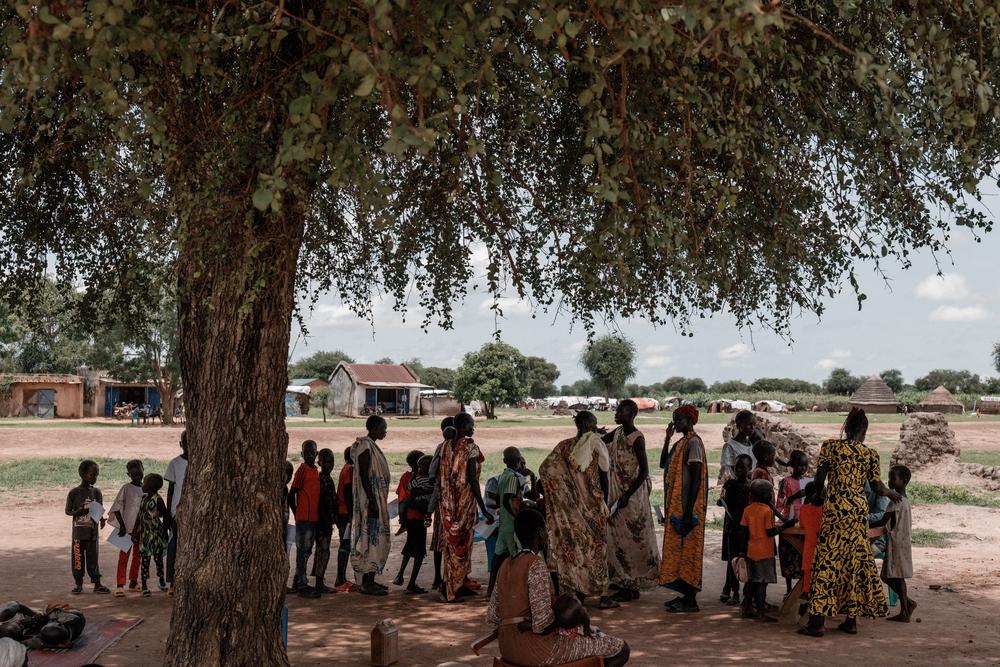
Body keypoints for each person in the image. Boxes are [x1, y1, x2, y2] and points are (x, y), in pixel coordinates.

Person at [799, 408, 901, 637]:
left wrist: (817, 497)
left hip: (835, 511)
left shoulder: (831, 446)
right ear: (864, 431)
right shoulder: (870, 453)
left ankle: (817, 624)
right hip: (857, 513)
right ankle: (851, 621)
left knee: (827, 562)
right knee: (854, 563)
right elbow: (877, 486)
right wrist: (890, 494)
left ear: (846, 428)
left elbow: (819, 477)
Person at [486, 509, 630, 666]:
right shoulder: (535, 563)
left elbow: (493, 616)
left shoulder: (505, 564)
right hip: (535, 649)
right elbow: (542, 624)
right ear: (541, 533)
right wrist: (565, 618)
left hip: (506, 647)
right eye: (546, 531)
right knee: (620, 648)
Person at [539, 410, 617, 608]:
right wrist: (604, 504)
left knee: (575, 549)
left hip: (571, 512)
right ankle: (602, 595)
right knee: (597, 550)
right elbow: (604, 476)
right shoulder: (596, 444)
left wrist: (563, 497)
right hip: (594, 508)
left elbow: (545, 469)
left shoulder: (563, 446)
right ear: (593, 425)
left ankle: (578, 592)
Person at [604, 399, 660, 602]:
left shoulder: (637, 438)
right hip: (617, 493)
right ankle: (621, 578)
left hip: (631, 496)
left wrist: (626, 496)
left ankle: (632, 583)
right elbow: (602, 441)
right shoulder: (618, 432)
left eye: (621, 411)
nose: (617, 413)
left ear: (631, 414)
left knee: (632, 539)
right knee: (618, 538)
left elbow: (644, 471)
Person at [438, 412, 491, 602]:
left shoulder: (445, 445)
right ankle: (453, 589)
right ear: (463, 426)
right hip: (464, 503)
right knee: (461, 544)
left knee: (451, 545)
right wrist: (483, 509)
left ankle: (454, 584)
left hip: (447, 504)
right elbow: (473, 480)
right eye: (471, 425)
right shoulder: (471, 448)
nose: (473, 428)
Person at [658, 405, 706, 613]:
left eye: (679, 420)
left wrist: (688, 512)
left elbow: (696, 478)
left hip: (688, 509)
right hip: (677, 506)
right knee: (679, 551)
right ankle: (685, 595)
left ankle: (690, 601)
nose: (676, 424)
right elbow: (662, 463)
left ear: (690, 420)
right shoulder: (681, 443)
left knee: (689, 553)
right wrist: (667, 438)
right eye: (674, 420)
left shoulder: (694, 443)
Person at [740, 479, 797, 622]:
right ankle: (760, 612)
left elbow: (744, 533)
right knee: (762, 583)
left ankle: (746, 608)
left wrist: (742, 551)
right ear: (766, 496)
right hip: (764, 552)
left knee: (751, 582)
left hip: (751, 551)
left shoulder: (748, 510)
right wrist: (786, 525)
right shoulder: (766, 512)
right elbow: (770, 532)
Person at [351, 415, 392, 596]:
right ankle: (367, 583)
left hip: (375, 500)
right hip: (370, 502)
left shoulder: (371, 446)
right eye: (383, 428)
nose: (385, 431)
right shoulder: (365, 447)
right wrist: (373, 500)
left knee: (376, 539)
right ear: (374, 428)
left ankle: (371, 579)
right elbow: (365, 477)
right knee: (371, 540)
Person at [874, 465, 916, 622]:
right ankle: (907, 604)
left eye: (893, 478)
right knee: (891, 576)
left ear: (904, 481)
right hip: (902, 541)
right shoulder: (905, 500)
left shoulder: (895, 501)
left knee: (895, 577)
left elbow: (882, 521)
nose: (890, 481)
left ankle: (906, 609)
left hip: (896, 542)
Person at [65, 459, 109, 594]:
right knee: (78, 559)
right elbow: (68, 511)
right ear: (82, 474)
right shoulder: (74, 493)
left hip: (92, 534)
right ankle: (78, 584)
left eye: (96, 474)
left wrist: (101, 519)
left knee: (93, 559)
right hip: (78, 535)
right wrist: (78, 512)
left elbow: (99, 509)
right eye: (92, 474)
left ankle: (97, 583)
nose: (95, 477)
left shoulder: (97, 492)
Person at [393, 451, 432, 593]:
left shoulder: (406, 477)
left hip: (409, 517)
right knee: (420, 552)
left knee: (409, 546)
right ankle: (411, 584)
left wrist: (403, 519)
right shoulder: (426, 479)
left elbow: (401, 498)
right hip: (419, 517)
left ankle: (400, 575)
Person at [487, 446, 524, 597]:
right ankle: (516, 590)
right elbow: (509, 500)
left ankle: (490, 588)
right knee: (517, 556)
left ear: (504, 461)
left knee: (498, 556)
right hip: (510, 524)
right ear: (519, 461)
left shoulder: (501, 476)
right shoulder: (513, 478)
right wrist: (516, 516)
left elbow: (497, 499)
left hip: (503, 524)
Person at [719, 453, 752, 606]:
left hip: (745, 530)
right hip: (732, 528)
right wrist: (721, 502)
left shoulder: (752, 487)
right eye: (737, 467)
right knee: (733, 561)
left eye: (742, 467)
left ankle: (746, 593)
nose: (739, 470)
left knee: (745, 561)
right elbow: (723, 500)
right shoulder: (729, 484)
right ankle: (735, 592)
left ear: (749, 469)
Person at [289, 439, 322, 597]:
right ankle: (302, 585)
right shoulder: (302, 469)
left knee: (307, 550)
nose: (309, 455)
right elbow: (292, 494)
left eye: (312, 453)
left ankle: (298, 580)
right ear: (302, 454)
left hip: (312, 518)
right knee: (302, 551)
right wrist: (297, 513)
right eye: (306, 453)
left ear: (316, 454)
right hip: (303, 518)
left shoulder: (315, 470)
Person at [777, 450, 812, 594]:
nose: (802, 469)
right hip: (790, 520)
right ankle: (789, 588)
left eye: (805, 466)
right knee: (788, 554)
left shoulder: (809, 482)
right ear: (793, 466)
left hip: (805, 522)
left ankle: (803, 588)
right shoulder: (785, 482)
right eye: (799, 466)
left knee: (803, 555)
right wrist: (795, 496)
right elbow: (779, 503)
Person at [428, 416, 457, 591]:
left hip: (443, 499)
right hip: (450, 500)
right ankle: (445, 577)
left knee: (440, 538)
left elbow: (432, 473)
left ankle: (439, 577)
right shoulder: (451, 448)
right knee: (447, 538)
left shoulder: (441, 448)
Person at [109, 459, 144, 597]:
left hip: (141, 529)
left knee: (138, 556)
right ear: (128, 474)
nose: (137, 476)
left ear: (143, 470)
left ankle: (133, 581)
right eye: (133, 474)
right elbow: (117, 508)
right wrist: (122, 526)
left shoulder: (145, 489)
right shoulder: (126, 488)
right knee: (123, 557)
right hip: (127, 530)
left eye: (139, 473)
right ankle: (120, 584)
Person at [134, 473, 169, 597]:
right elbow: (139, 516)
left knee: (158, 559)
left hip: (156, 534)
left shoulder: (158, 500)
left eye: (144, 483)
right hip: (146, 534)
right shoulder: (144, 499)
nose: (142, 484)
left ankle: (161, 581)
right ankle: (144, 585)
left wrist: (165, 531)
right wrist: (134, 531)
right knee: (145, 560)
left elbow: (165, 515)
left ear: (150, 487)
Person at [164, 431, 188, 596]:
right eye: (186, 442)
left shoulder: (202, 462)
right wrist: (168, 514)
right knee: (174, 546)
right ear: (181, 444)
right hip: (176, 514)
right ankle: (172, 581)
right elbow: (171, 490)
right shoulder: (175, 463)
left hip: (196, 513)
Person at [312, 448, 337, 595]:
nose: (330, 465)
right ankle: (319, 583)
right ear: (320, 462)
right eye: (327, 462)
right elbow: (321, 503)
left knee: (322, 552)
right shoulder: (322, 479)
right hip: (322, 522)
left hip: (325, 521)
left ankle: (319, 582)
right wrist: (327, 521)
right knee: (323, 552)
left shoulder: (326, 478)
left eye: (331, 461)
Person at [718, 410, 760, 484]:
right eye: (749, 424)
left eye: (754, 424)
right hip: (738, 487)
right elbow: (732, 471)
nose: (752, 427)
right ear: (738, 426)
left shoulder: (752, 444)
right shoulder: (729, 446)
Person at [798, 481, 823, 606]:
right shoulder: (827, 510)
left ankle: (805, 603)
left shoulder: (804, 509)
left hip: (809, 552)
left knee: (807, 582)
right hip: (825, 553)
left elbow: (802, 524)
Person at [333, 446, 354, 591]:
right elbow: (347, 492)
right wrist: (352, 514)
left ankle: (342, 578)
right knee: (345, 545)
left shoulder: (346, 468)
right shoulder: (349, 470)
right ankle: (340, 579)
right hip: (345, 513)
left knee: (346, 544)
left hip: (344, 513)